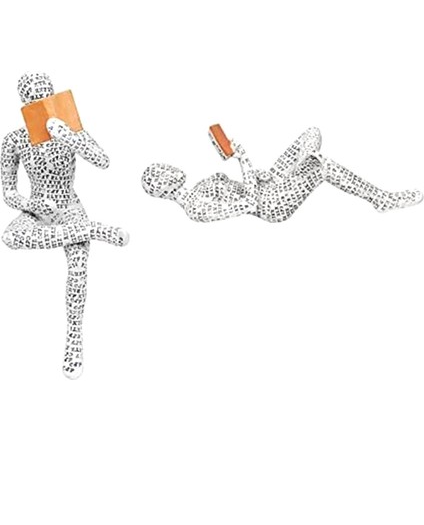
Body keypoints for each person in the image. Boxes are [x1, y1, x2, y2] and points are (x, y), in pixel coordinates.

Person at [1, 72, 129, 379]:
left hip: (69, 206)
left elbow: (103, 160)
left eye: (45, 96)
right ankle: (92, 229)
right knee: (10, 236)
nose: (41, 102)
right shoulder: (13, 141)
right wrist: (33, 205)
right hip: (37, 208)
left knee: (79, 265)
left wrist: (69, 135)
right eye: (33, 99)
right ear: (23, 103)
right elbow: (7, 192)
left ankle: (74, 341)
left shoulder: (68, 128)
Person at [142, 127, 422, 222]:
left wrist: (257, 174)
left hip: (266, 186)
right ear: (163, 187)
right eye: (161, 172)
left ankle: (291, 174)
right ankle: (381, 199)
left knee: (311, 136)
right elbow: (249, 203)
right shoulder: (196, 208)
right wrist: (244, 160)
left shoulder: (197, 190)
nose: (168, 168)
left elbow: (244, 189)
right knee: (319, 164)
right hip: (271, 204)